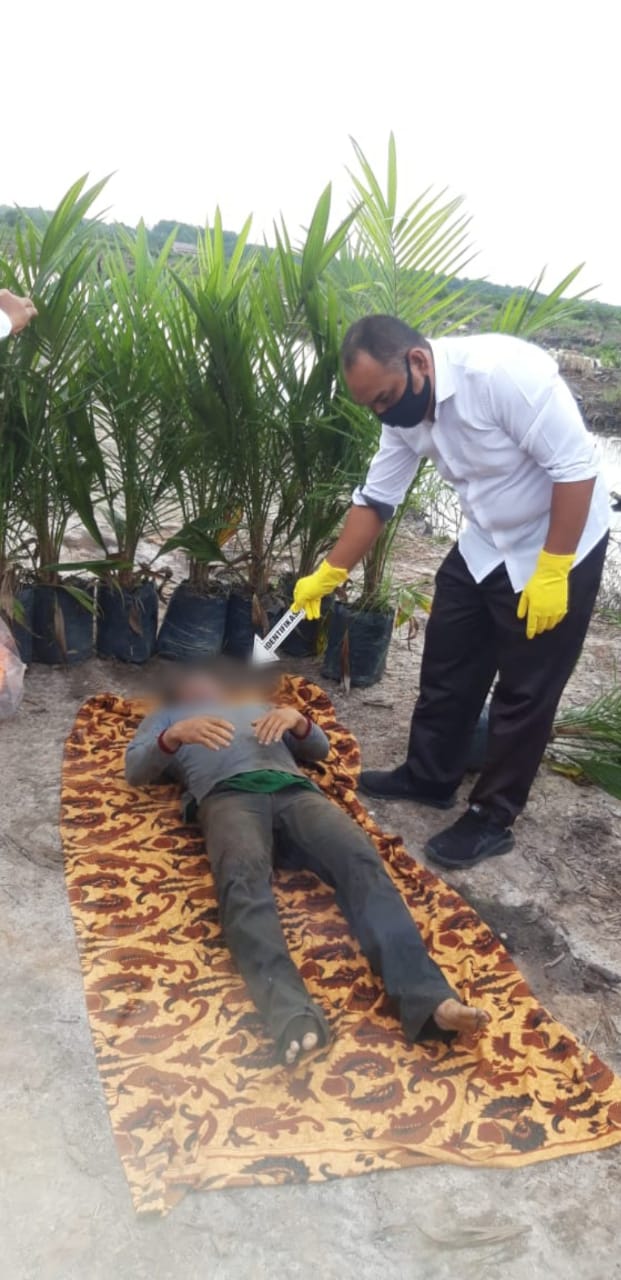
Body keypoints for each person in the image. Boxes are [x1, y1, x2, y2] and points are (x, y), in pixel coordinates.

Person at [293, 315, 610, 871]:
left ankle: (492, 816)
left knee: (526, 689)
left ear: (418, 361)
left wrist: (555, 568)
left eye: (385, 398)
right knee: (448, 660)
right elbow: (377, 499)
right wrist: (330, 573)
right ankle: (430, 776)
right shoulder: (401, 413)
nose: (382, 413)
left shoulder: (503, 374)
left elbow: (576, 469)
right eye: (371, 406)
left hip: (558, 541)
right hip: (485, 540)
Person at [125, 665, 489, 1066]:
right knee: (242, 881)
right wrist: (173, 736)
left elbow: (320, 750)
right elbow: (135, 770)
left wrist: (298, 721)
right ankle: (290, 1014)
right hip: (227, 797)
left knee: (360, 857)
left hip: (295, 792)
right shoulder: (167, 717)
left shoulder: (254, 705)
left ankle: (428, 998)